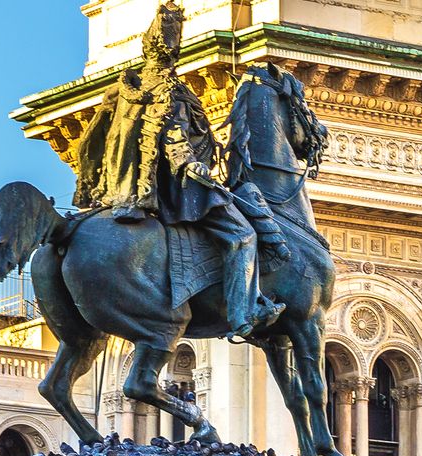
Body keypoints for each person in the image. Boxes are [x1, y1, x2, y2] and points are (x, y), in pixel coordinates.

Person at [77, 1, 284, 339]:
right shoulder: (169, 91)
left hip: (128, 192)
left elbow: (95, 142)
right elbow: (174, 142)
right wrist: (194, 166)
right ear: (173, 53)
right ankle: (244, 312)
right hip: (176, 191)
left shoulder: (124, 89)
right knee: (242, 236)